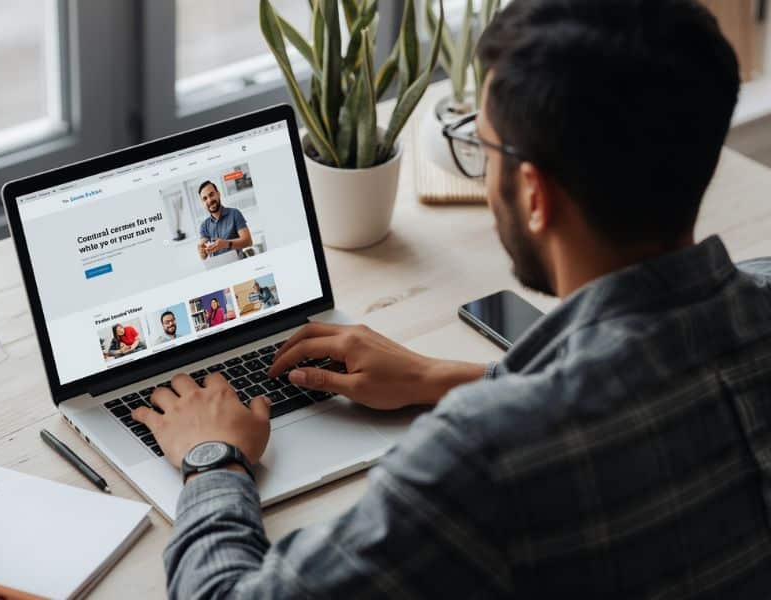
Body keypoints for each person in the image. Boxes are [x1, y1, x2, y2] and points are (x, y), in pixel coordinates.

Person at [132, 1, 771, 596]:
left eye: (481, 146)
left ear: (534, 194)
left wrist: (213, 460)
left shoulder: (484, 459)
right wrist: (440, 376)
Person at [196, 180, 253, 261]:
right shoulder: (204, 226)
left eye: (211, 194)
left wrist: (226, 244)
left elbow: (248, 241)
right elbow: (204, 255)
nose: (209, 200)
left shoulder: (234, 214)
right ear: (203, 203)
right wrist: (202, 252)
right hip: (218, 266)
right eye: (205, 198)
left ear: (218, 194)